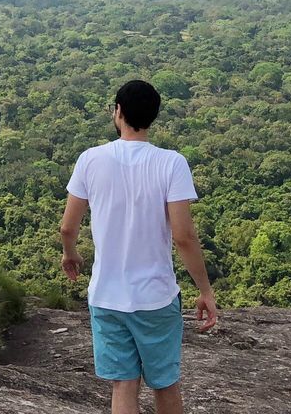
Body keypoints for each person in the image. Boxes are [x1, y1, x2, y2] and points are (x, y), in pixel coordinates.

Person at [59, 79, 217, 414]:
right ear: (153, 117)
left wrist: (70, 253)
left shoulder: (90, 159)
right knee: (164, 383)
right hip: (155, 297)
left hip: (106, 295)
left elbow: (67, 226)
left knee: (123, 384)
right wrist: (204, 290)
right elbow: (184, 236)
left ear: (118, 112)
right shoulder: (171, 163)